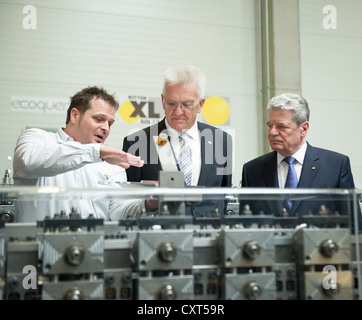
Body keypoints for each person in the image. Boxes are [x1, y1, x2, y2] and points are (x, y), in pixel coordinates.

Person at [13, 86, 156, 222]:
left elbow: (117, 211)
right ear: (74, 115)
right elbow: (28, 162)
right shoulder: (37, 138)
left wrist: (148, 204)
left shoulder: (111, 162)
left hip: (95, 246)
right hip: (38, 246)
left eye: (110, 123)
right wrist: (97, 152)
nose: (106, 128)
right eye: (99, 119)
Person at [122, 65, 233, 217]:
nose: (178, 112)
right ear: (162, 100)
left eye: (187, 105)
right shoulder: (137, 142)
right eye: (171, 104)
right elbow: (128, 204)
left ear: (200, 104)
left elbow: (224, 197)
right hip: (159, 236)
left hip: (209, 234)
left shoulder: (221, 141)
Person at [240, 93, 358, 226]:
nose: (272, 132)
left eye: (281, 126)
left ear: (304, 128)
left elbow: (352, 225)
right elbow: (246, 226)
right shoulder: (252, 170)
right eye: (269, 126)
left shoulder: (336, 166)